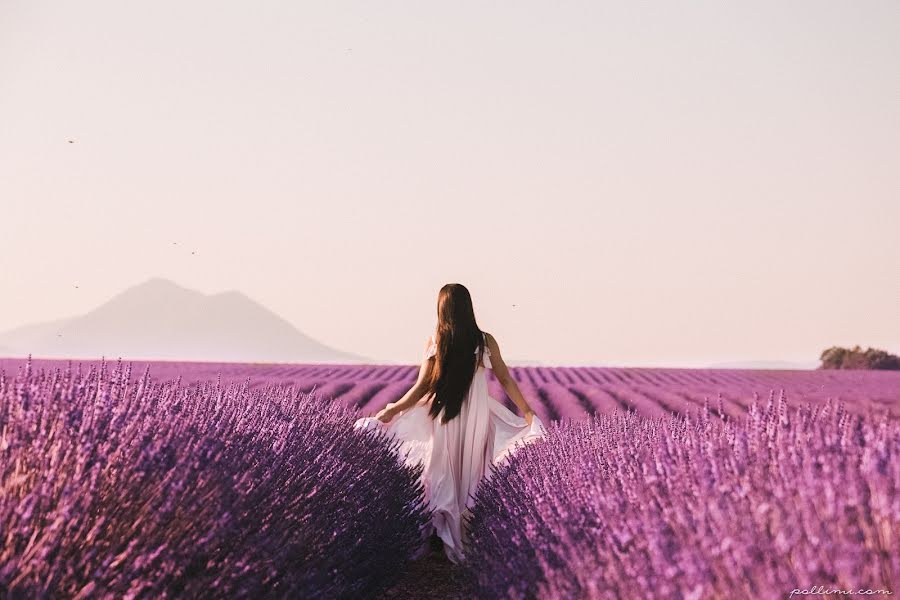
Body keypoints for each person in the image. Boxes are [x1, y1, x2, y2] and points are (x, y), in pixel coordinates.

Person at [354, 283, 547, 564]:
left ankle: (440, 537)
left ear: (442, 308)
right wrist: (528, 412)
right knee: (470, 474)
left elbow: (421, 388)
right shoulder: (483, 340)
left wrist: (392, 410)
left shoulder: (436, 340)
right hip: (475, 417)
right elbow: (505, 379)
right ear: (468, 307)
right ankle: (468, 537)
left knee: (442, 472)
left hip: (444, 417)